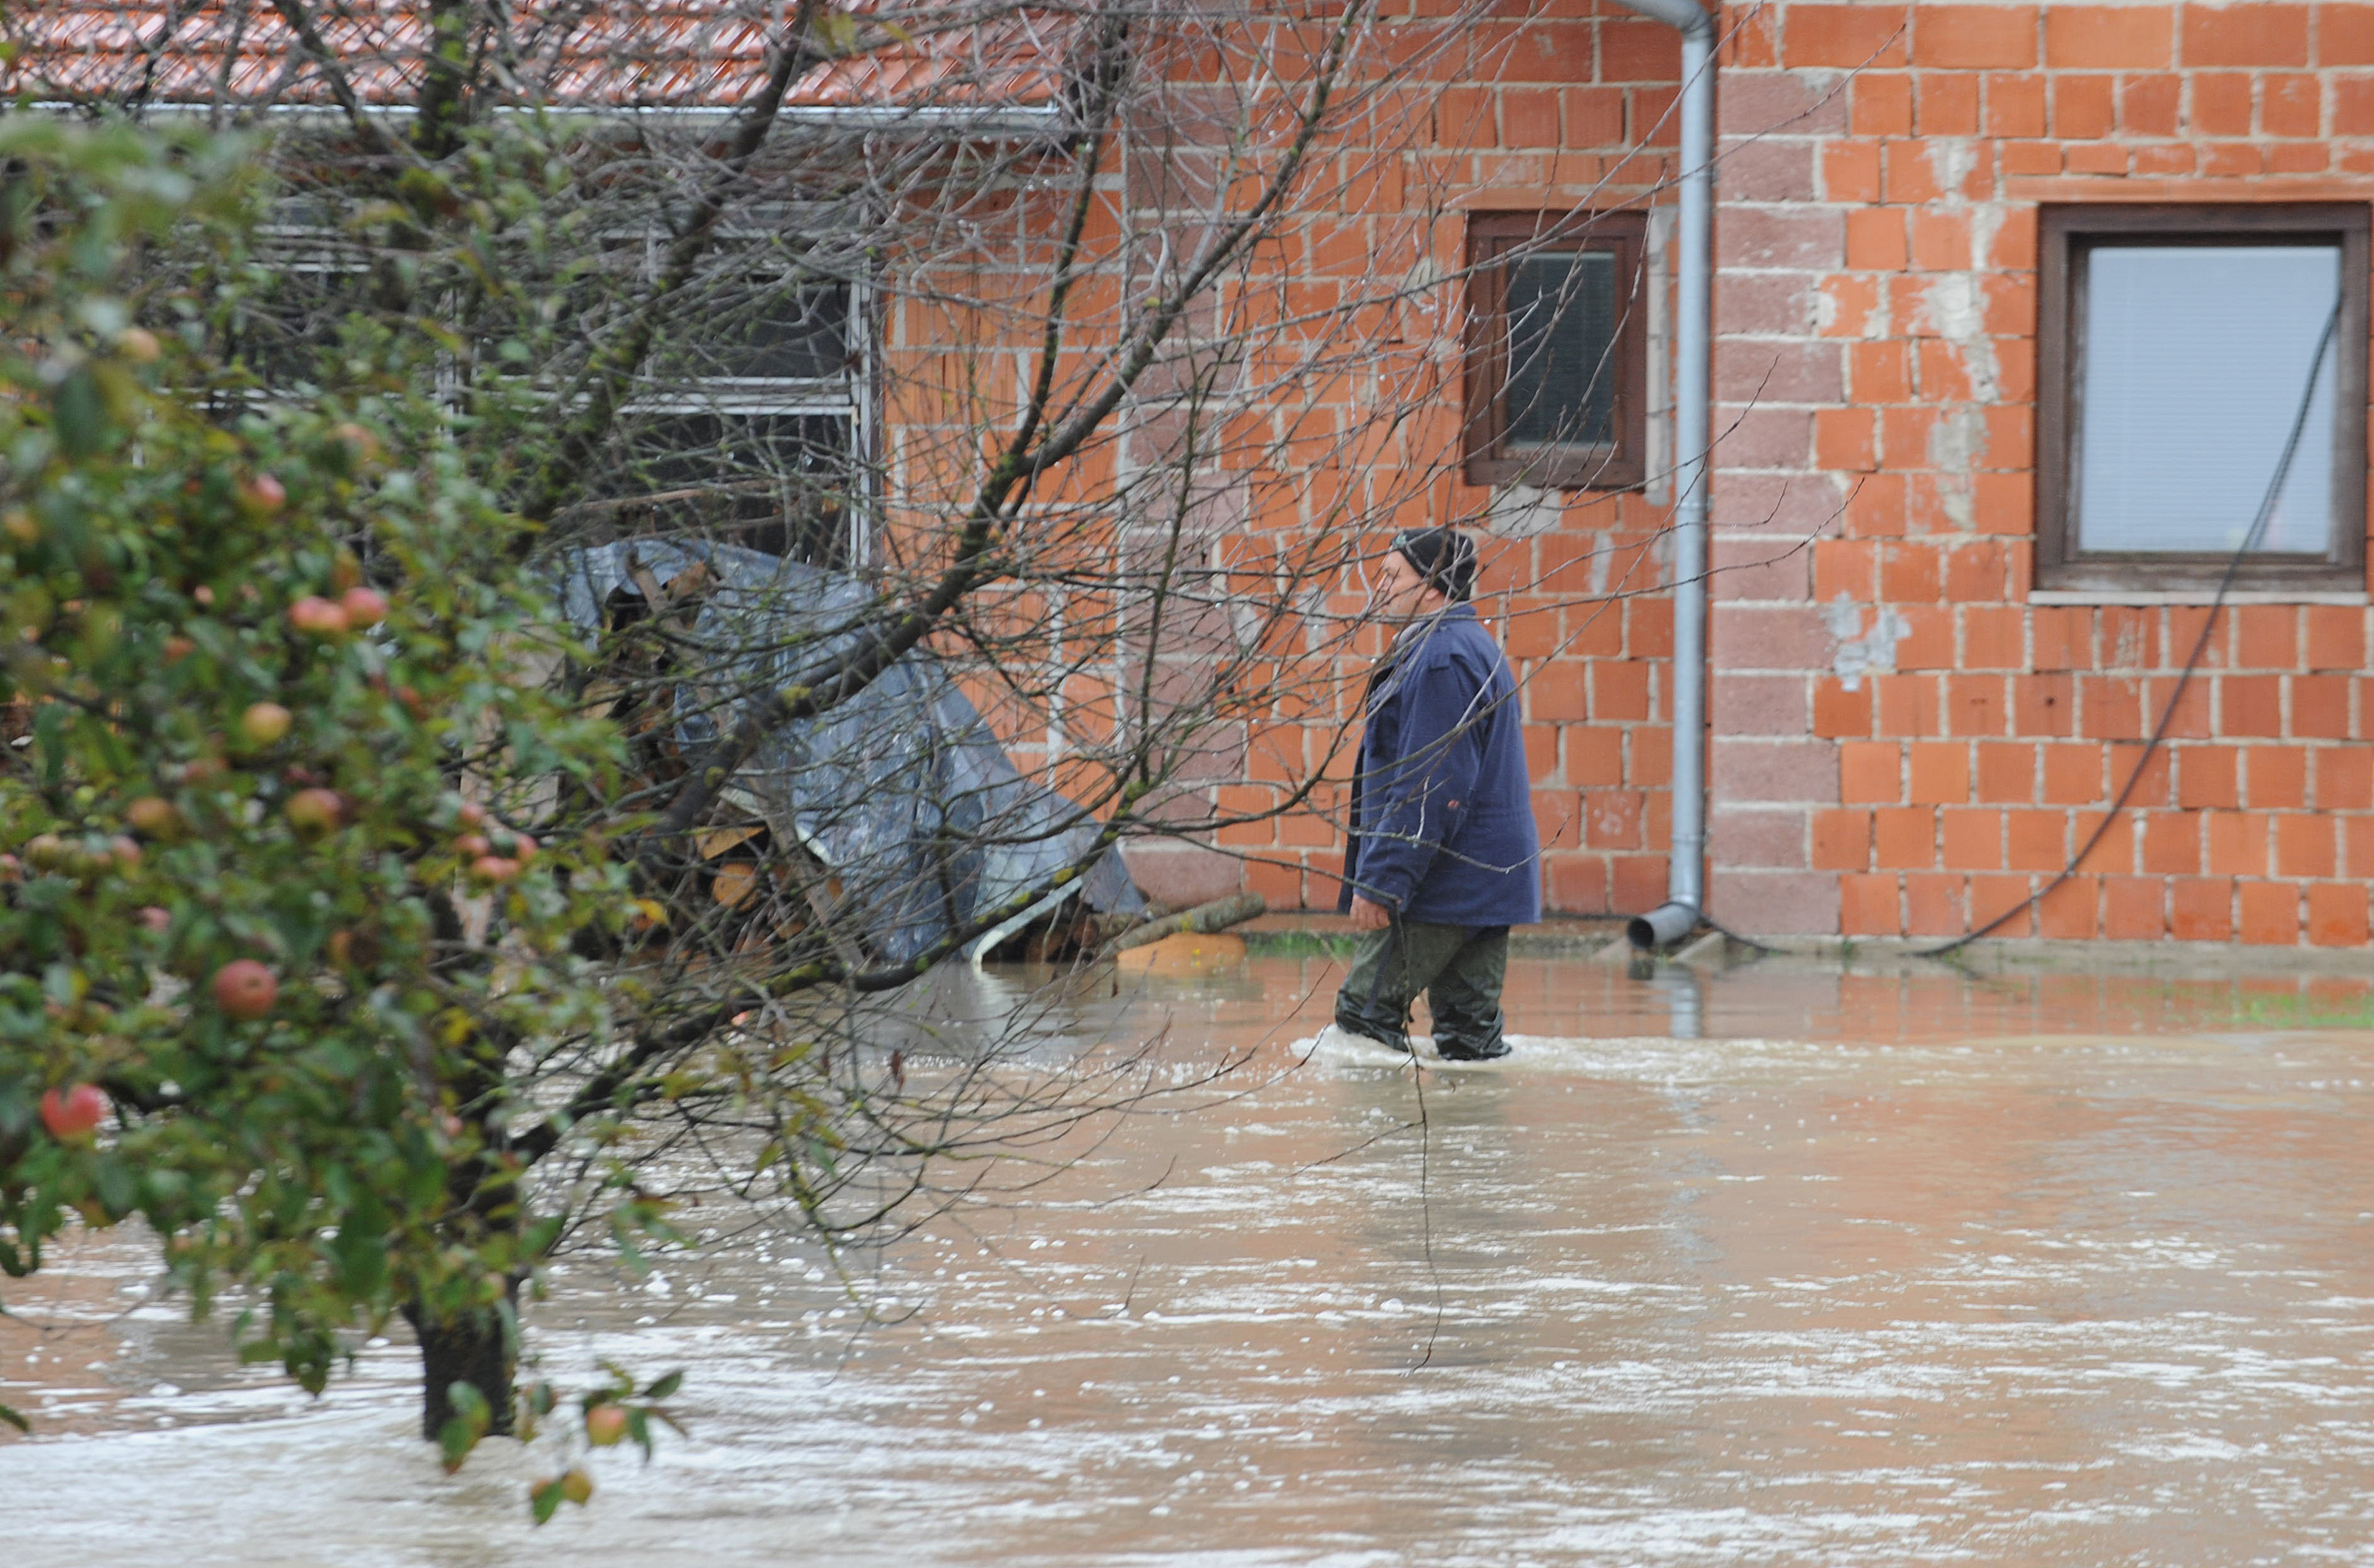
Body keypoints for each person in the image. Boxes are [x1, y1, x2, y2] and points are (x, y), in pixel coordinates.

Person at [1333, 526, 1540, 1061]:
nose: (1377, 587)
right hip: (1484, 885)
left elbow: (1430, 783)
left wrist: (1382, 881)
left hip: (1441, 886)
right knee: (1469, 1040)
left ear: (1431, 587)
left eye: (1391, 575)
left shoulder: (1441, 657)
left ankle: (1376, 1144)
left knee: (1363, 1019)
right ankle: (1473, 1138)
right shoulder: (1469, 646)